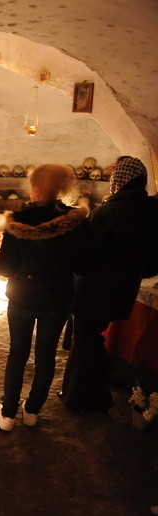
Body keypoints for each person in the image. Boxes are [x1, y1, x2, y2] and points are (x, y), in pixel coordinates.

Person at [0, 164, 89, 432]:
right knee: (46, 355)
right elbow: (83, 266)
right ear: (61, 188)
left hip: (22, 297)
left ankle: (8, 415)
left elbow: (5, 269)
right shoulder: (76, 221)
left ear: (35, 188)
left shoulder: (18, 221)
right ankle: (32, 411)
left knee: (17, 353)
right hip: (57, 299)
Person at [61, 156, 158, 412]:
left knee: (86, 341)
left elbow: (86, 258)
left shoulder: (108, 212)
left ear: (120, 181)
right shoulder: (151, 210)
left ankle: (85, 399)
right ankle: (84, 394)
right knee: (90, 339)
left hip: (95, 290)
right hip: (123, 290)